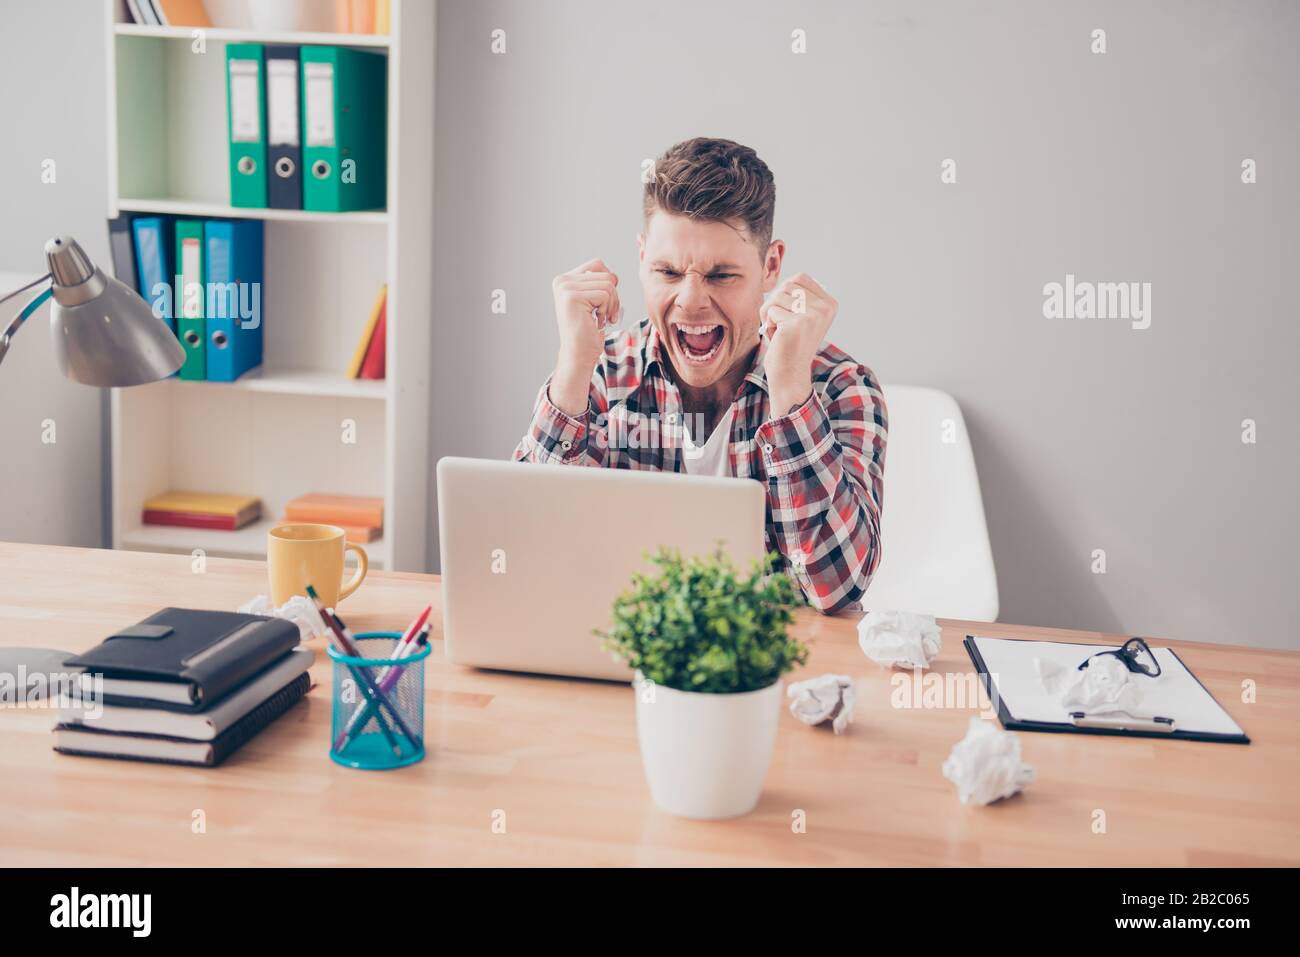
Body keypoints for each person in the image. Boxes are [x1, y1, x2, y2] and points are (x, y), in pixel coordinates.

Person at [514, 137, 887, 613]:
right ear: (642, 255)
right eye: (667, 272)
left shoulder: (841, 388)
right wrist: (571, 371)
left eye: (720, 276)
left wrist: (791, 386)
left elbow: (836, 588)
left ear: (770, 266)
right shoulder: (598, 373)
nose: (690, 301)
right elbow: (530, 557)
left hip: (775, 669)